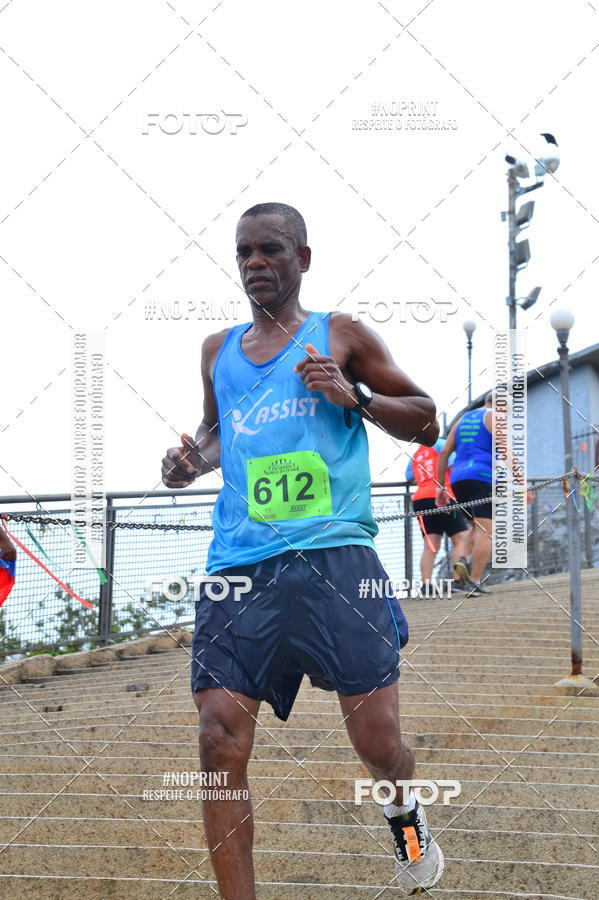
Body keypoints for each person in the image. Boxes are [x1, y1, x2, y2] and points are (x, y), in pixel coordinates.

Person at [162, 202, 445, 896]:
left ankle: (406, 818)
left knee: (379, 744)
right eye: (244, 252)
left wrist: (356, 398)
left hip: (335, 558)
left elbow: (426, 420)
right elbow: (217, 432)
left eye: (271, 249)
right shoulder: (217, 351)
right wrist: (191, 461)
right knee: (217, 740)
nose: (255, 263)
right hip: (239, 566)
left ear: (303, 259)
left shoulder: (340, 335)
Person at [435, 394, 494, 595]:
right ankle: (474, 581)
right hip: (482, 476)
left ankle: (458, 580)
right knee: (486, 530)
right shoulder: (494, 416)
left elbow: (444, 453)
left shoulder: (462, 419)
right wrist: (520, 481)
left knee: (474, 527)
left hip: (458, 479)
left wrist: (440, 487)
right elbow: (506, 451)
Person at [405, 440, 470, 593]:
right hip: (442, 496)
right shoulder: (441, 444)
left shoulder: (416, 453)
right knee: (461, 538)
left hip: (420, 499)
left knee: (430, 545)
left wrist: (426, 481)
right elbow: (454, 466)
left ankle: (426, 586)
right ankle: (457, 581)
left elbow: (409, 476)